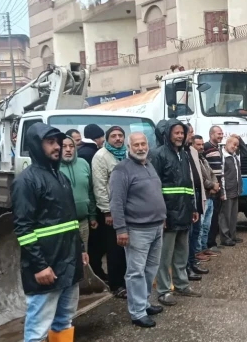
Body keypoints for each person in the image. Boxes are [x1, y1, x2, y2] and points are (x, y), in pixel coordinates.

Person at [11, 123, 94, 342]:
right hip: (46, 261)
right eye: (50, 142)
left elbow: (71, 219)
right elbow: (23, 228)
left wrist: (80, 248)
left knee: (65, 313)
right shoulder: (26, 181)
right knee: (39, 317)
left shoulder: (60, 177)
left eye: (58, 142)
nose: (57, 147)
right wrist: (39, 265)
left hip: (68, 256)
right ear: (37, 145)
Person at [109, 132, 167, 328]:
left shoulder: (148, 165)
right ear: (129, 147)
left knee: (150, 269)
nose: (141, 148)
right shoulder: (121, 170)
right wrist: (120, 229)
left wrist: (162, 217)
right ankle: (137, 312)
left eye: (143, 144)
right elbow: (116, 202)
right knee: (136, 272)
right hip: (137, 230)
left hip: (156, 226)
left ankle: (144, 302)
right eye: (136, 145)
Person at [151, 119, 201, 306]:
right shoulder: (158, 154)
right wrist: (161, 214)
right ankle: (164, 290)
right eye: (177, 133)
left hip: (184, 211)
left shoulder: (184, 154)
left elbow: (188, 185)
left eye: (182, 133)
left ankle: (181, 285)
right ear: (168, 134)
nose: (180, 136)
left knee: (181, 253)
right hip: (169, 213)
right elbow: (154, 187)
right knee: (165, 256)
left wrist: (193, 207)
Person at [91, 126, 128, 298]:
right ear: (107, 139)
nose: (118, 138)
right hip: (111, 211)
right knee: (115, 249)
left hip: (128, 209)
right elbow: (99, 186)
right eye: (114, 136)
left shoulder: (127, 154)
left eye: (120, 135)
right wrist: (107, 211)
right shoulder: (101, 156)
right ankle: (116, 285)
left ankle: (127, 281)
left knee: (127, 248)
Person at [59, 136, 97, 251]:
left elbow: (90, 191)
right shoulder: (53, 167)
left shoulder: (83, 164)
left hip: (83, 222)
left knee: (83, 256)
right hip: (61, 225)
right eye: (64, 146)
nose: (68, 149)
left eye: (71, 146)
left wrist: (92, 216)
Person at [184, 124, 208, 280]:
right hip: (189, 196)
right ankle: (186, 266)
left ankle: (193, 262)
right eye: (189, 132)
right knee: (189, 233)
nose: (191, 135)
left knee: (196, 231)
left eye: (192, 132)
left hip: (198, 194)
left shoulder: (193, 151)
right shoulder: (179, 152)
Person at [194, 135, 220, 260]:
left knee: (207, 225)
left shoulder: (203, 159)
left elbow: (211, 173)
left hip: (210, 196)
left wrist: (216, 184)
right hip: (203, 197)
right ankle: (198, 251)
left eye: (202, 144)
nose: (201, 147)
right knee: (200, 226)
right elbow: (200, 178)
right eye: (198, 144)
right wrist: (212, 185)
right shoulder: (193, 161)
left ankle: (204, 248)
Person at [203, 125, 225, 253]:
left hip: (218, 188)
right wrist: (211, 186)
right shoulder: (206, 147)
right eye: (218, 133)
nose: (221, 136)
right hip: (210, 189)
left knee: (215, 217)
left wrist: (220, 189)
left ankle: (212, 242)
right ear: (211, 134)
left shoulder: (218, 149)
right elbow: (205, 170)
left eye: (222, 133)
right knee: (209, 219)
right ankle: (208, 244)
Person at [220, 135, 244, 245]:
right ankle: (225, 238)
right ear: (227, 143)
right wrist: (222, 192)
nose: (235, 147)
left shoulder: (235, 156)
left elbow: (245, 150)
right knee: (225, 216)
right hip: (227, 191)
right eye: (233, 144)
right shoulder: (223, 157)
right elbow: (221, 175)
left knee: (234, 216)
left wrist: (239, 139)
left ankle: (232, 236)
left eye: (237, 145)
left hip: (236, 190)